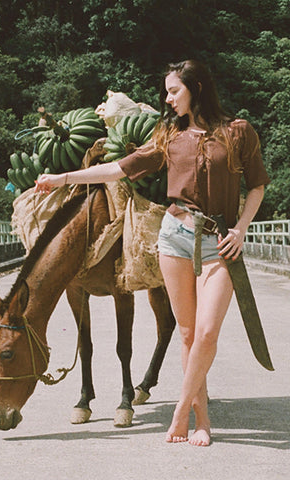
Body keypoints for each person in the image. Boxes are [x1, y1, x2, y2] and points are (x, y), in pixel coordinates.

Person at [34, 60, 270, 447]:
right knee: (190, 333)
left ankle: (180, 409)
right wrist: (62, 178)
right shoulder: (167, 135)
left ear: (196, 87)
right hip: (175, 236)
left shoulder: (238, 132)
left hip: (219, 242)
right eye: (167, 91)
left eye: (174, 90)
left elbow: (257, 186)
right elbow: (117, 170)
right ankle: (202, 418)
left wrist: (241, 228)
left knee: (208, 332)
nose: (167, 98)